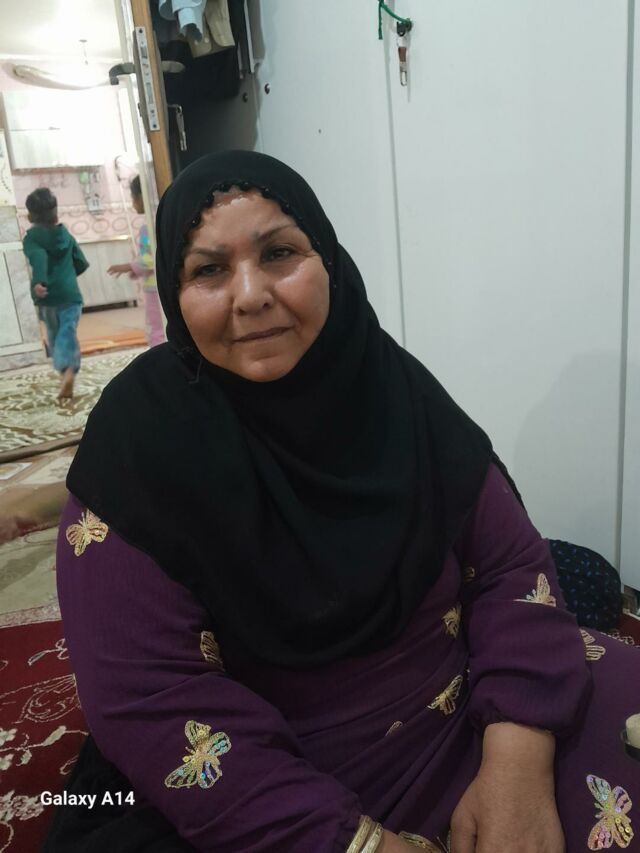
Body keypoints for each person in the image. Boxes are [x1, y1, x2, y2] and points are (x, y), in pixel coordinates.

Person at [47, 152, 638, 853]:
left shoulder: (392, 388)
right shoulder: (139, 446)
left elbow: (510, 564)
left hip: (464, 714)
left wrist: (517, 759)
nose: (250, 295)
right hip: (273, 781)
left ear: (328, 260)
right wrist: (357, 844)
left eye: (279, 253)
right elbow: (150, 696)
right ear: (175, 296)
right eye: (208, 270)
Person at [23, 188, 89, 400]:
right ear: (56, 214)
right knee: (67, 332)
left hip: (48, 297)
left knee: (54, 334)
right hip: (71, 295)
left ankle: (65, 373)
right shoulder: (65, 234)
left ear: (30, 216)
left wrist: (40, 281)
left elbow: (39, 257)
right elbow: (80, 261)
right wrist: (67, 277)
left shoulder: (32, 238)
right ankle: (69, 372)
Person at [107, 175, 166, 346]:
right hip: (158, 285)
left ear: (142, 197)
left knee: (156, 327)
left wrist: (130, 266)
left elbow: (151, 257)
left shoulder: (149, 228)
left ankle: (158, 357)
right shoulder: (159, 221)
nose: (133, 204)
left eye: (133, 198)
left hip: (155, 289)